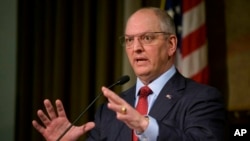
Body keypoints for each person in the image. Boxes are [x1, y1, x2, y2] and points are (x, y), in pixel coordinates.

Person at [32, 7, 225, 141]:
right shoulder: (109, 110)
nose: (136, 48)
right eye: (129, 40)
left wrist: (145, 125)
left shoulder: (201, 98)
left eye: (147, 38)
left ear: (171, 45)